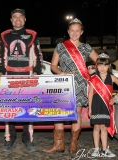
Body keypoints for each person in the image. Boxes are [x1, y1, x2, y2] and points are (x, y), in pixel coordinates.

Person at [43, 18, 98, 153]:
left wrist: (92, 70)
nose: (74, 33)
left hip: (80, 82)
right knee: (59, 113)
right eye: (72, 30)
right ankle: (59, 144)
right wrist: (61, 72)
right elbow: (53, 66)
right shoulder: (61, 46)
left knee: (77, 113)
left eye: (77, 31)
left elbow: (100, 61)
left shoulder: (86, 47)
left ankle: (73, 143)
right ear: (68, 31)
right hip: (63, 81)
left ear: (81, 32)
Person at [0, 8, 42, 152]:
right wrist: (0, 71)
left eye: (20, 17)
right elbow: (0, 57)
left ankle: (28, 139)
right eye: (14, 17)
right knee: (9, 109)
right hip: (9, 77)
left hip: (27, 77)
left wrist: (36, 71)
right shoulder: (4, 36)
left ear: (25, 19)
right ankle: (9, 138)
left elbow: (38, 56)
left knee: (28, 108)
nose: (17, 19)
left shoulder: (32, 35)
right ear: (11, 20)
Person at [88, 52, 118, 158]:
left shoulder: (112, 77)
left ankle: (105, 149)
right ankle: (96, 149)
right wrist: (90, 107)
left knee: (104, 128)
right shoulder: (93, 78)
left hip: (106, 106)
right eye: (100, 65)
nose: (102, 68)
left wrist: (115, 98)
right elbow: (90, 94)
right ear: (96, 66)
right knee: (96, 127)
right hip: (96, 105)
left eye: (105, 65)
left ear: (109, 66)